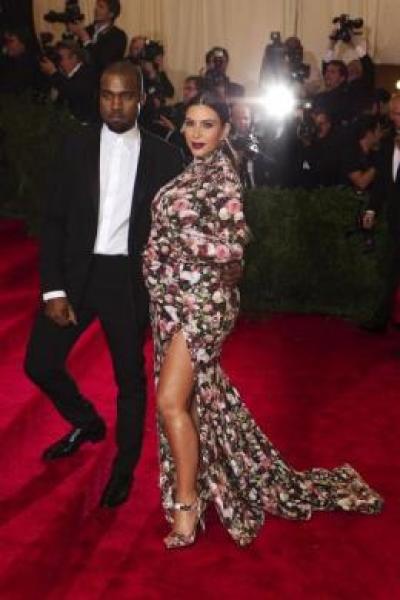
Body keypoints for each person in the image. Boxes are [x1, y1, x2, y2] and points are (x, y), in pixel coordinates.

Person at [142, 93, 383, 549]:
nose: (196, 133)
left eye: (207, 124)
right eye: (191, 123)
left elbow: (233, 246)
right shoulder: (192, 172)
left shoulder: (225, 179)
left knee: (169, 401)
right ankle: (196, 489)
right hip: (173, 303)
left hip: (204, 306)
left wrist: (178, 248)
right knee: (189, 401)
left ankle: (187, 505)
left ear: (224, 130)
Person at [24, 61, 183, 508]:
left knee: (129, 382)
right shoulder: (73, 146)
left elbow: (175, 237)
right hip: (76, 275)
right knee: (39, 363)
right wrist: (53, 289)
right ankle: (87, 422)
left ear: (142, 98)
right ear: (98, 96)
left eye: (126, 94)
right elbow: (53, 221)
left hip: (126, 282)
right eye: (108, 94)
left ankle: (123, 468)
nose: (116, 103)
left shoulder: (165, 158)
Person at [362, 94, 400, 331]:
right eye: (394, 114)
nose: (395, 119)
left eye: (399, 114)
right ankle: (380, 320)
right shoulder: (387, 144)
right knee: (390, 270)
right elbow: (382, 183)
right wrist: (372, 209)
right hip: (395, 219)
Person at [39, 41, 97, 123]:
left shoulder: (86, 72)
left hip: (84, 125)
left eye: (61, 58)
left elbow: (72, 92)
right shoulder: (62, 76)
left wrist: (53, 73)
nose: (59, 62)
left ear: (74, 58)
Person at [68, 0, 127, 77]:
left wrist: (86, 39)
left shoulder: (118, 36)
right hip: (81, 80)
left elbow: (102, 62)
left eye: (101, 7)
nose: (96, 9)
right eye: (96, 5)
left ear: (111, 14)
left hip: (103, 82)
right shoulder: (87, 30)